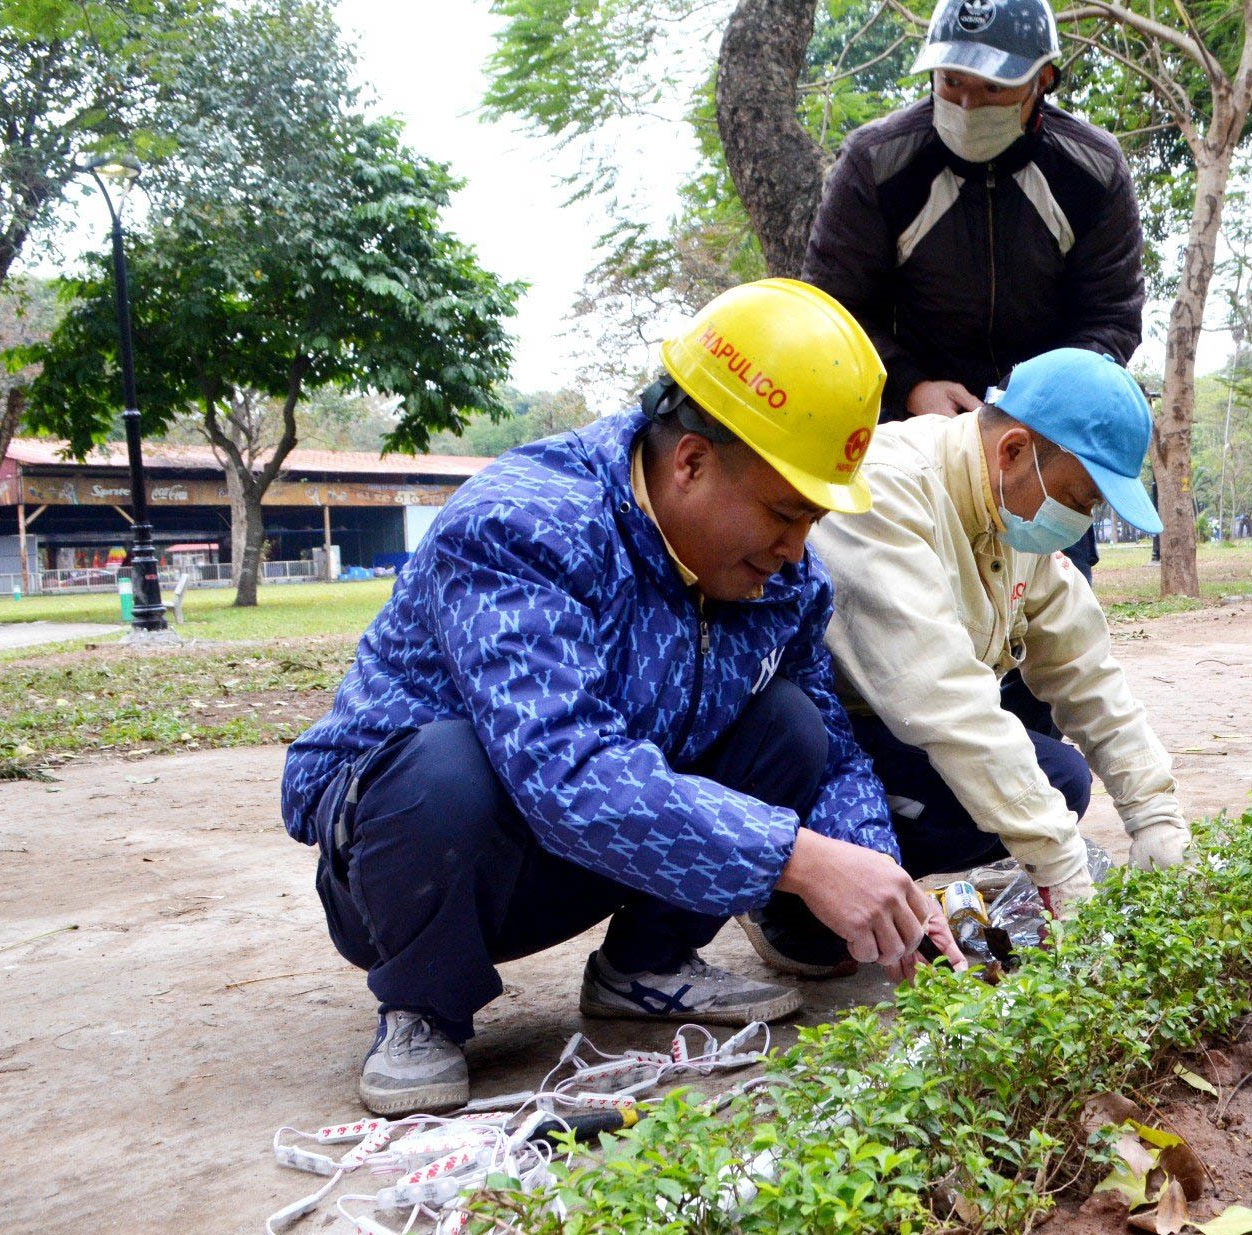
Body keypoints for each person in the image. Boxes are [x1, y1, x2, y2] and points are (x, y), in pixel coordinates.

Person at [280, 280, 964, 1116]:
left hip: (598, 850)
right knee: (443, 768)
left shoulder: (784, 584)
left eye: (815, 521)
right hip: (421, 859)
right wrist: (804, 861)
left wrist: (880, 876)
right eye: (786, 514)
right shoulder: (523, 528)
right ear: (691, 462)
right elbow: (565, 771)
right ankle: (422, 1005)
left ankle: (645, 966)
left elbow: (827, 740)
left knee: (789, 726)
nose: (797, 549)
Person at [733, 349, 1187, 976]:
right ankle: (789, 900)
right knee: (988, 786)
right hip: (812, 741)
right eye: (1082, 500)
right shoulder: (886, 491)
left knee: (1060, 779)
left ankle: (877, 885)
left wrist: (1154, 813)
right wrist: (1060, 867)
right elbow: (944, 702)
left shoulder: (1013, 514)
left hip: (892, 737)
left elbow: (1086, 671)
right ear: (1014, 451)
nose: (1082, 522)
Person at [803, 0, 1145, 585]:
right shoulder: (877, 163)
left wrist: (1028, 404)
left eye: (991, 87)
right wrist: (911, 386)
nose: (965, 104)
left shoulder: (1092, 171)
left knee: (1044, 644)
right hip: (906, 441)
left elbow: (1111, 318)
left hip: (1038, 446)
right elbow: (831, 311)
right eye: (951, 82)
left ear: (1042, 81)